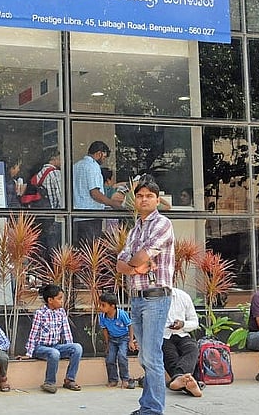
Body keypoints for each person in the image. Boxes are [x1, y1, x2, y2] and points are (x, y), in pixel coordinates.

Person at [116, 174, 176, 415]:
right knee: (145, 357)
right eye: (140, 196)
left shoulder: (163, 224)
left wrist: (137, 261)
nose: (144, 200)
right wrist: (135, 266)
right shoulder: (135, 229)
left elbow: (141, 257)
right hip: (138, 298)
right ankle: (147, 406)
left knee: (151, 356)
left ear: (158, 199)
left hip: (156, 297)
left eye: (149, 196)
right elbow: (120, 263)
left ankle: (154, 410)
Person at [20, 284, 83, 394]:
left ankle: (69, 379)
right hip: (40, 348)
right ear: (50, 300)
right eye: (59, 298)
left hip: (56, 346)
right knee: (54, 353)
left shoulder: (61, 312)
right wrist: (29, 353)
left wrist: (69, 348)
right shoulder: (40, 314)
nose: (62, 301)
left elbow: (67, 332)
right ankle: (49, 383)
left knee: (77, 348)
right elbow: (33, 334)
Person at [162, 287, 203, 397]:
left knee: (192, 348)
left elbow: (195, 322)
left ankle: (178, 378)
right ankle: (191, 385)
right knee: (169, 353)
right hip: (163, 335)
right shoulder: (153, 298)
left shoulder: (183, 296)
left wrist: (183, 324)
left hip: (182, 333)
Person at [71, 141, 112, 245]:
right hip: (91, 216)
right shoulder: (92, 166)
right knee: (91, 252)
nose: (104, 160)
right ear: (99, 153)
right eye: (104, 157)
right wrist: (113, 204)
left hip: (75, 215)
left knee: (80, 251)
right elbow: (95, 193)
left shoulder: (75, 166)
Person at [98, 291, 136, 389]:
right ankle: (113, 379)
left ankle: (125, 379)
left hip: (123, 338)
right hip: (112, 339)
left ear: (112, 306)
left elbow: (130, 326)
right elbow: (104, 330)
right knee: (110, 359)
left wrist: (131, 341)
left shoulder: (122, 314)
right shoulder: (102, 316)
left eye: (103, 305)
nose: (100, 307)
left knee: (122, 356)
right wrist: (107, 344)